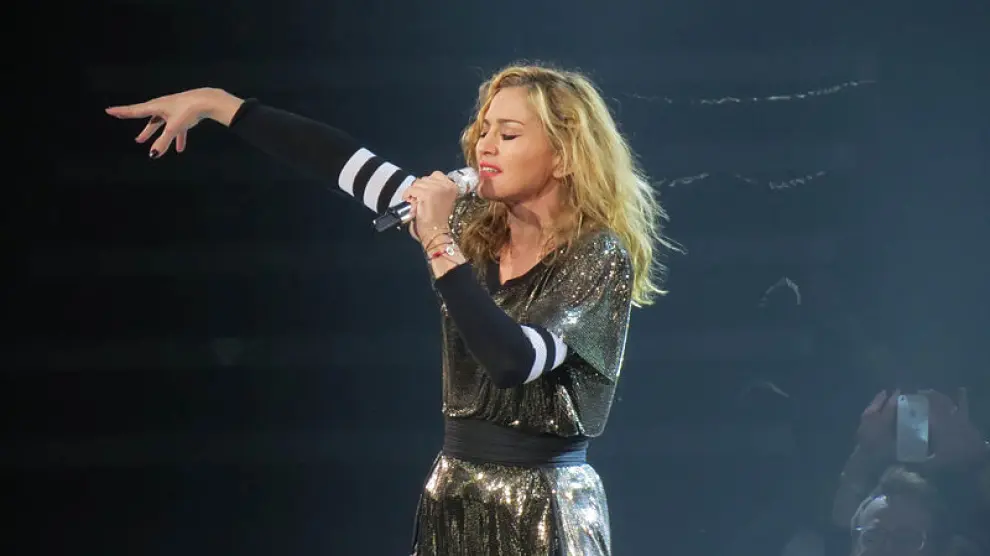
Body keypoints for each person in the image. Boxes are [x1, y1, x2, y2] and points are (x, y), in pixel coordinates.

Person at [106, 63, 675, 555]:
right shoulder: (470, 229)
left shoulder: (597, 256)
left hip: (544, 504)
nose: (485, 146)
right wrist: (221, 105)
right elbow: (342, 162)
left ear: (564, 156)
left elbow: (511, 360)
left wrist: (438, 242)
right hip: (455, 491)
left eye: (508, 134)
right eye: (483, 131)